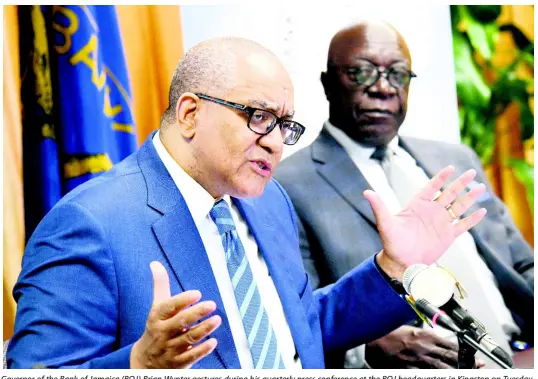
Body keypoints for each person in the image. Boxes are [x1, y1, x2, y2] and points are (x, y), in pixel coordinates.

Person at [7, 37, 487, 370]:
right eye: (259, 117)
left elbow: (298, 328)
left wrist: (393, 267)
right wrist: (139, 363)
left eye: (285, 125)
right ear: (191, 113)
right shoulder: (88, 222)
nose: (277, 143)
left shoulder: (266, 200)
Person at [275, 22, 534, 369]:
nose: (382, 88)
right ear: (327, 83)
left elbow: (522, 266)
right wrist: (365, 347)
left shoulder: (456, 160)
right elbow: (301, 319)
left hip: (523, 350)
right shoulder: (286, 185)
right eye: (361, 73)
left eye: (397, 74)